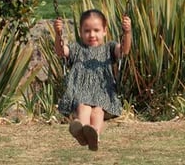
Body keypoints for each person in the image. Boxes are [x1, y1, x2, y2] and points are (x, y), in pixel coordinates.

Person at [53, 9, 132, 151]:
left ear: (104, 31)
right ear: (81, 32)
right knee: (83, 108)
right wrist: (58, 33)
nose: (92, 35)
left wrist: (127, 33)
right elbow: (60, 52)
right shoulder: (76, 48)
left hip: (103, 91)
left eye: (96, 30)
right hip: (80, 90)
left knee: (98, 111)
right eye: (87, 31)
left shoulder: (109, 48)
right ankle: (81, 130)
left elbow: (124, 51)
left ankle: (94, 134)